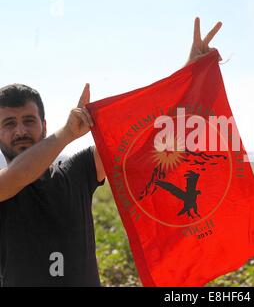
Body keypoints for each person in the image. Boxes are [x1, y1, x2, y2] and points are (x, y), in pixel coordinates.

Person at [0, 17, 221, 286]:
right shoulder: (4, 186)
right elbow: (21, 174)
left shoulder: (77, 171)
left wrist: (187, 76)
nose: (21, 130)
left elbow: (138, 135)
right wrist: (68, 133)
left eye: (29, 120)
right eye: (9, 124)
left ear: (44, 126)